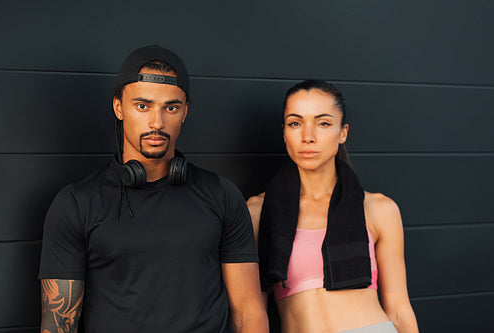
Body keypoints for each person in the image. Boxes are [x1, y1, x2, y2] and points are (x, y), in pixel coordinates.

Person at [39, 45, 268, 333]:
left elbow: (248, 312)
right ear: (119, 107)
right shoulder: (76, 204)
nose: (156, 123)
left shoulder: (222, 196)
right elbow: (59, 324)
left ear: (185, 111)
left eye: (170, 107)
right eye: (142, 106)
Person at [247, 79, 419, 333]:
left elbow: (398, 308)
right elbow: (253, 313)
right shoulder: (258, 212)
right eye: (296, 123)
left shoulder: (379, 209)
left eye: (323, 123)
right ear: (284, 132)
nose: (308, 136)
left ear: (343, 132)